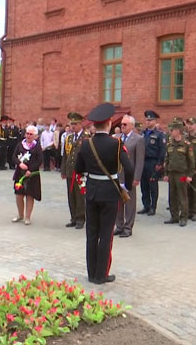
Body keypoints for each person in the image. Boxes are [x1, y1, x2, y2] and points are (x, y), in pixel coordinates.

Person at [75, 103, 133, 284]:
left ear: (94, 125)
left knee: (91, 234)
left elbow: (78, 169)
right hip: (110, 193)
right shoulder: (116, 144)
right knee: (106, 234)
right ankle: (102, 274)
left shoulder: (86, 144)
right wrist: (127, 186)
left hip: (92, 192)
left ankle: (92, 273)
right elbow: (129, 168)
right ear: (109, 123)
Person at [114, 115, 144, 237]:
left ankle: (128, 227)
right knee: (118, 202)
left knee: (129, 203)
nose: (122, 126)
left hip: (129, 176)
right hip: (117, 175)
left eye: (125, 124)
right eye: (121, 124)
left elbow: (140, 160)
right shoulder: (117, 138)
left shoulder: (138, 139)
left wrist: (136, 177)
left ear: (131, 125)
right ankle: (119, 225)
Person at [163, 122, 195, 226]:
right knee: (172, 196)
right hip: (171, 173)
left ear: (178, 131)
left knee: (182, 196)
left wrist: (190, 175)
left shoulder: (186, 144)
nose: (170, 132)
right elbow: (167, 159)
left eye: (172, 130)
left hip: (182, 174)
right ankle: (174, 216)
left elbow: (191, 161)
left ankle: (184, 217)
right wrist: (166, 174)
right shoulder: (170, 144)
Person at [61, 112, 89, 229]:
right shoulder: (69, 138)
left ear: (81, 124)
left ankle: (81, 218)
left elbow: (88, 156)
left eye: (75, 124)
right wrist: (63, 170)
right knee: (71, 195)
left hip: (80, 172)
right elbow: (65, 156)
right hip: (70, 171)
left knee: (80, 196)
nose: (73, 126)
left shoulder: (86, 138)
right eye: (71, 124)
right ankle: (73, 217)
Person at [11, 125, 43, 225]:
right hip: (20, 173)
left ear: (35, 136)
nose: (28, 136)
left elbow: (39, 160)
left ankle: (27, 217)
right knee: (18, 195)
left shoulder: (37, 146)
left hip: (32, 174)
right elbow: (14, 157)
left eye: (31, 134)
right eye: (27, 134)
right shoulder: (20, 144)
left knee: (30, 195)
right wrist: (19, 163)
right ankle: (20, 215)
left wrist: (30, 169)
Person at [139, 110, 166, 216]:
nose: (148, 122)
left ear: (155, 121)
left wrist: (160, 163)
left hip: (153, 162)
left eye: (150, 120)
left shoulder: (159, 135)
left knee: (153, 186)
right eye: (147, 120)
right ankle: (146, 205)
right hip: (143, 162)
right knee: (144, 185)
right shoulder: (143, 133)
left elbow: (162, 150)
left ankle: (153, 207)